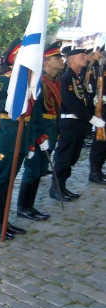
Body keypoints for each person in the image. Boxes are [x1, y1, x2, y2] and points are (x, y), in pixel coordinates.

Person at [0, 39, 28, 236]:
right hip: (6, 134)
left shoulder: (28, 80)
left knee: (10, 178)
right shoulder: (5, 79)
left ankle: (4, 220)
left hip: (21, 134)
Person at [19, 41, 64, 219]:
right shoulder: (39, 82)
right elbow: (34, 113)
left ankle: (29, 206)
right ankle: (24, 207)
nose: (61, 60)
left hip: (51, 131)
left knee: (40, 168)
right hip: (39, 132)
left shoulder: (55, 81)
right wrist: (39, 136)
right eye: (57, 57)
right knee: (33, 168)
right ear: (46, 61)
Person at [52, 47, 104, 200]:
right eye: (81, 55)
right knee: (64, 157)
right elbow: (70, 103)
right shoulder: (66, 77)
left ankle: (62, 187)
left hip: (78, 124)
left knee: (71, 158)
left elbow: (84, 99)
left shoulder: (77, 78)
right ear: (71, 59)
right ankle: (56, 189)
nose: (84, 57)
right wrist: (90, 118)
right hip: (70, 123)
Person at [86, 46, 106, 184]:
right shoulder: (98, 69)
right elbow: (91, 86)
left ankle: (98, 170)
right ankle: (94, 172)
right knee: (100, 142)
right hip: (101, 108)